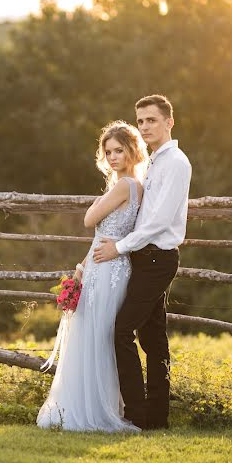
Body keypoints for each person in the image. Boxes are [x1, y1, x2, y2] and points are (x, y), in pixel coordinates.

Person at [36, 120, 148, 432]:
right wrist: (81, 268)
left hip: (110, 270)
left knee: (97, 337)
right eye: (108, 151)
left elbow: (89, 220)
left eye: (119, 150)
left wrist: (98, 202)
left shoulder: (125, 186)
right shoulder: (132, 187)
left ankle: (97, 409)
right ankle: (88, 405)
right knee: (94, 336)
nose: (113, 157)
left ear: (131, 151)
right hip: (101, 266)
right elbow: (102, 235)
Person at [92, 94, 191, 431]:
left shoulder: (176, 162)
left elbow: (158, 221)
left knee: (121, 331)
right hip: (144, 258)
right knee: (153, 338)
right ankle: (156, 418)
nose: (146, 126)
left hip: (156, 258)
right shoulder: (153, 163)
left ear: (169, 122)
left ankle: (136, 413)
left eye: (152, 119)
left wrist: (119, 247)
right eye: (141, 121)